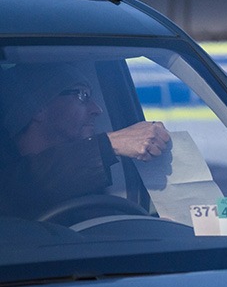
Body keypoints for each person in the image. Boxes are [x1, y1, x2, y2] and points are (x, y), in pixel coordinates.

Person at [0, 62, 171, 219]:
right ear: (37, 107)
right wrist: (110, 143)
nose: (97, 109)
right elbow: (26, 182)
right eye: (83, 96)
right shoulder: (10, 184)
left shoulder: (87, 186)